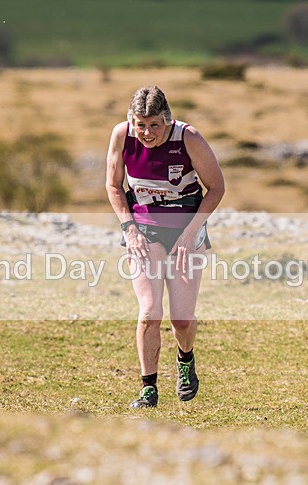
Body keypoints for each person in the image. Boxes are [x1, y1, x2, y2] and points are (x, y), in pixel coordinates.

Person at [106, 85, 225, 408]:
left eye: (154, 125)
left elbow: (216, 188)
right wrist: (129, 228)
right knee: (149, 312)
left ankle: (185, 359)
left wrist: (190, 234)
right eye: (140, 124)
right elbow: (114, 185)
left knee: (182, 320)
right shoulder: (121, 135)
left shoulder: (189, 138)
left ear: (167, 121)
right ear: (131, 120)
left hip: (187, 230)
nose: (146, 133)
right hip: (145, 230)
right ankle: (149, 388)